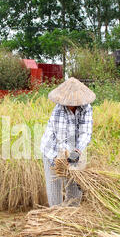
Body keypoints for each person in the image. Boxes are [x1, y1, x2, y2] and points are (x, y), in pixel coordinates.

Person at [40, 77, 95, 207]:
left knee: (75, 191)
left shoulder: (86, 108)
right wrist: (67, 157)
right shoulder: (59, 111)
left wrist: (77, 151)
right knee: (55, 195)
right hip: (53, 152)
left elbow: (85, 133)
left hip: (75, 150)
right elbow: (61, 140)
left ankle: (70, 219)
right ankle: (56, 218)